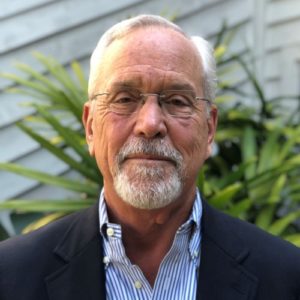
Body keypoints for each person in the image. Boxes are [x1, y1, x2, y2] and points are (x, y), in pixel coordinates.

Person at [0, 14, 299, 300]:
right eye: (125, 99)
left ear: (209, 130)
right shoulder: (11, 276)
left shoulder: (287, 278)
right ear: (91, 127)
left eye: (177, 101)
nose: (150, 124)